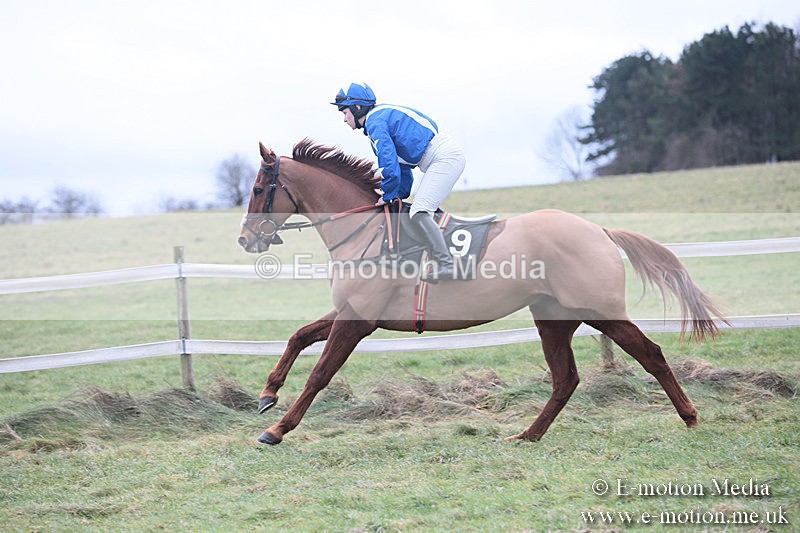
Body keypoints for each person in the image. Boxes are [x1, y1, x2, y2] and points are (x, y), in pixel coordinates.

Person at [331, 82, 466, 282]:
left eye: (344, 112)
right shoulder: (379, 119)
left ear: (357, 107)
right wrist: (396, 197)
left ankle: (446, 264)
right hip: (440, 157)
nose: (344, 119)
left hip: (444, 158)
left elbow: (388, 164)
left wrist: (387, 195)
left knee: (420, 211)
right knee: (413, 209)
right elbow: (402, 171)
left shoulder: (375, 122)